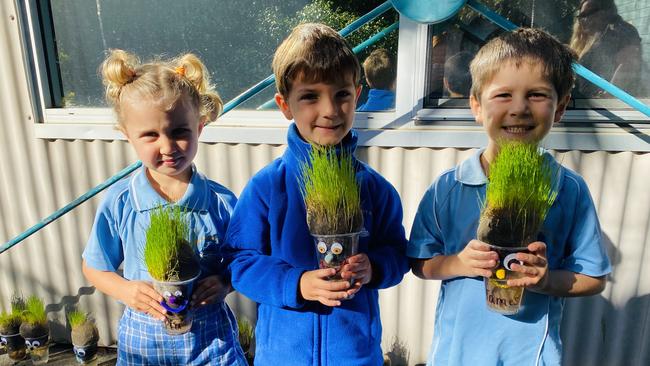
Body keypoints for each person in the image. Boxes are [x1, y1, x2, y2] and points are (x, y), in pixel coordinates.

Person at [408, 28, 611, 365]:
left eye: (536, 95)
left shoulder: (567, 190)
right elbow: (419, 262)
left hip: (532, 356)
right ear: (476, 105)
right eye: (503, 95)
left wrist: (546, 281)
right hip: (457, 355)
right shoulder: (448, 188)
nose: (519, 108)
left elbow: (593, 278)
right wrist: (459, 263)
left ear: (560, 107)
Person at [222, 23, 410, 365]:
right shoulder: (268, 187)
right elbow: (240, 261)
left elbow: (398, 253)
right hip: (282, 355)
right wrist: (298, 284)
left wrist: (375, 267)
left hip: (355, 354)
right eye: (310, 96)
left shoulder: (375, 189)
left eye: (341, 94)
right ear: (284, 104)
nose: (330, 110)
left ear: (358, 93)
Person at [81, 50, 247, 365]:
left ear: (199, 127)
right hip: (144, 346)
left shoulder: (221, 203)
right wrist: (126, 291)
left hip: (211, 344)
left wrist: (226, 282)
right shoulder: (120, 202)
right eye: (150, 135)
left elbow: (245, 260)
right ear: (128, 136)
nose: (167, 146)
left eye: (179, 132)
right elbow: (94, 266)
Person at [570, 0, 643, 97]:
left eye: (589, 13)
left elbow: (628, 63)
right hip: (587, 106)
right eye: (581, 16)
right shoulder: (596, 38)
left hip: (608, 108)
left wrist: (606, 97)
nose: (584, 20)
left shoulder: (621, 30)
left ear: (606, 11)